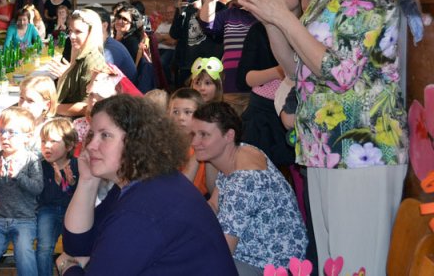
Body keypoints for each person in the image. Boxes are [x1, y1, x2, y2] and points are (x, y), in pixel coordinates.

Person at [235, 0, 409, 275]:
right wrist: (271, 21)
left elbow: (340, 72)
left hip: (363, 147)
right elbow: (296, 68)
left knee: (358, 266)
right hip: (324, 146)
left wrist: (283, 17)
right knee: (334, 265)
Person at [56, 95, 237, 275]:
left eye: (105, 135)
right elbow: (77, 246)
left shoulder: (142, 209)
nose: (90, 146)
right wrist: (87, 181)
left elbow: (73, 257)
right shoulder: (144, 181)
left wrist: (67, 267)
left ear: (136, 141)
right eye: (91, 135)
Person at [191, 101, 308, 274]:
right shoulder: (241, 151)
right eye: (193, 134)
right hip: (260, 254)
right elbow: (214, 205)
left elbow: (222, 253)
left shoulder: (244, 180)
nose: (195, 142)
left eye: (204, 135)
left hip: (271, 266)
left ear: (229, 136)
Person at [237, 0, 309, 167]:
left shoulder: (310, 28)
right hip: (263, 114)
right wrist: (279, 71)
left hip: (298, 111)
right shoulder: (258, 30)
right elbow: (245, 78)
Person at [0, 107, 43, 276]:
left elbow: (37, 188)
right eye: (1, 131)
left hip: (24, 220)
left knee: (24, 254)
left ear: (27, 137)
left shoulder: (32, 159)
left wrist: (19, 176)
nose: (4, 136)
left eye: (11, 132)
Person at [36, 118, 79, 276]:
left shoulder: (77, 165)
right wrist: (56, 183)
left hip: (72, 211)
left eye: (53, 141)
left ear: (69, 145)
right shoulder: (40, 166)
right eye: (43, 141)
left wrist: (72, 183)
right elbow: (43, 198)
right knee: (44, 248)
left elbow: (81, 197)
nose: (46, 146)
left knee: (74, 248)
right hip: (48, 210)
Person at [170, 0, 222, 88]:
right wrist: (179, 12)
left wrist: (201, 10)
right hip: (187, 65)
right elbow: (174, 34)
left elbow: (217, 35)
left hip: (209, 66)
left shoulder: (219, 8)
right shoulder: (187, 7)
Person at [54, 9, 108, 117]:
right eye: (70, 30)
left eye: (78, 32)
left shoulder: (92, 60)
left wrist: (50, 108)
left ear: (91, 33)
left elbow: (87, 106)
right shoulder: (80, 51)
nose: (72, 36)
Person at [83, 5, 137, 83]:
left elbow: (96, 80)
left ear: (104, 26)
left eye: (87, 24)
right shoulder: (104, 44)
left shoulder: (110, 50)